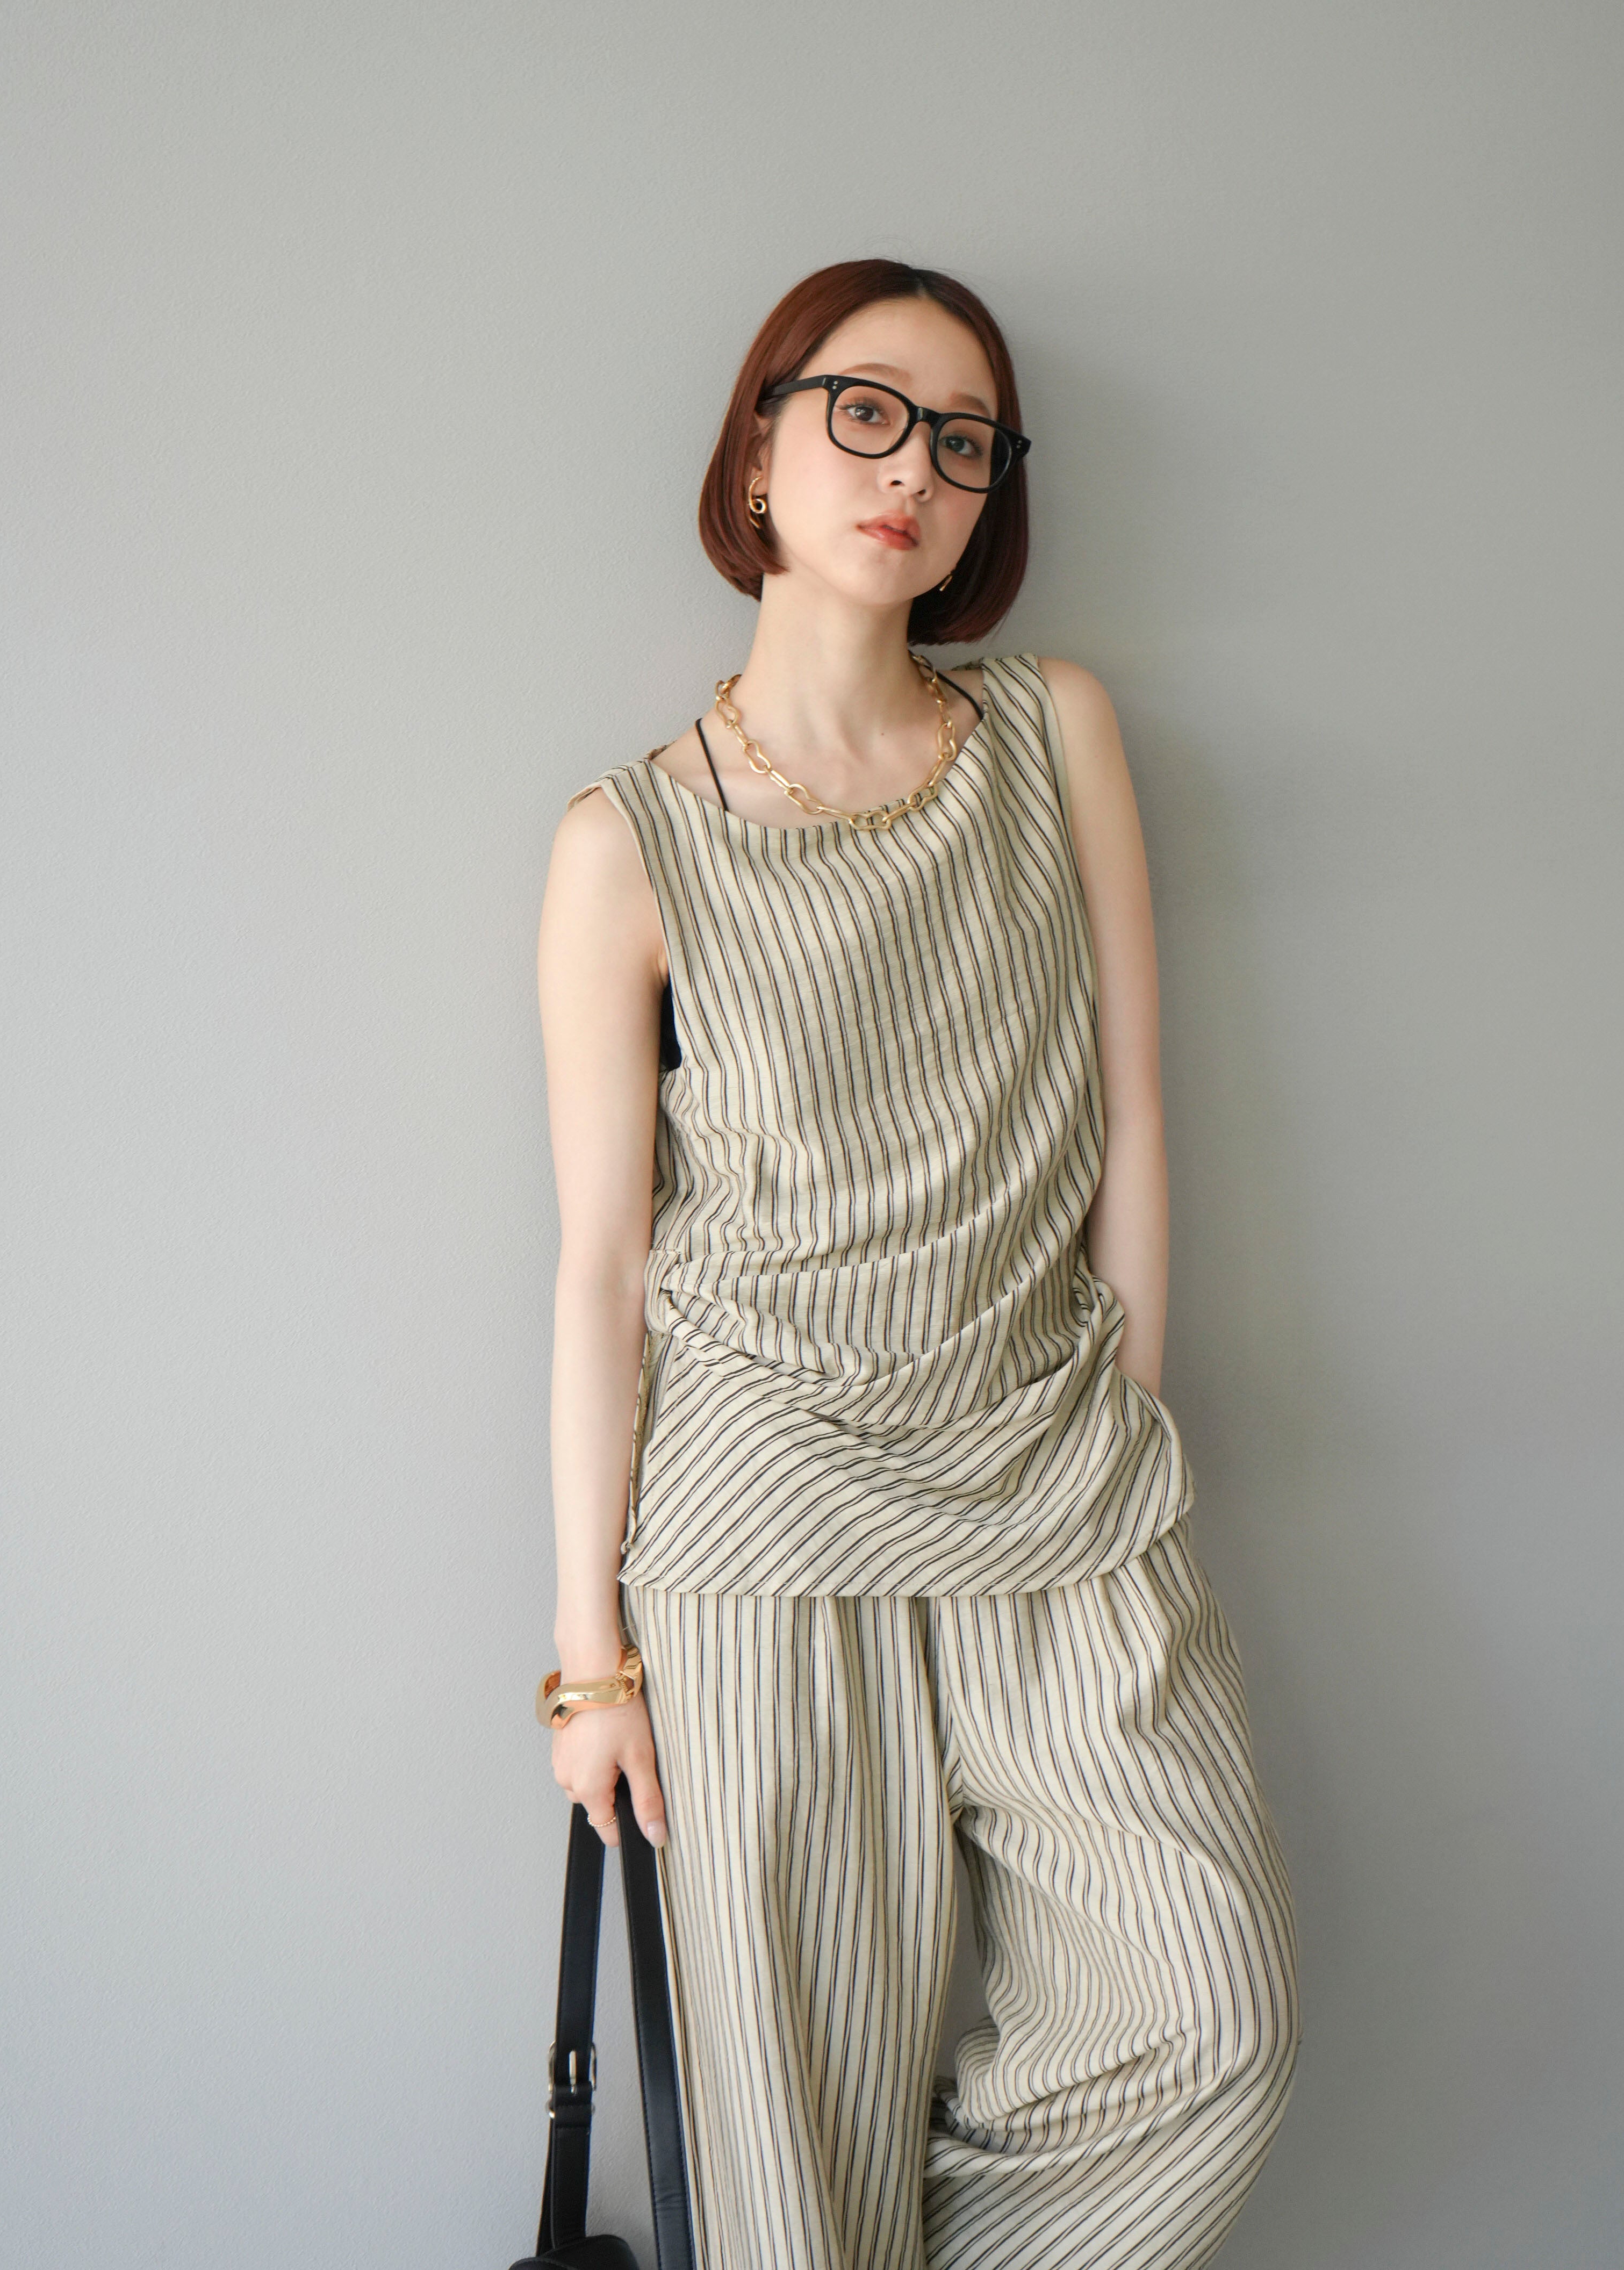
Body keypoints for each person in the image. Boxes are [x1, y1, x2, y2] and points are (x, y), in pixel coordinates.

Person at [534, 257, 1300, 2270]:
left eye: (965, 444)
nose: (914, 472)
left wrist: (1119, 1426)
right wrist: (588, 1664)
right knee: (795, 2145)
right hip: (759, 1524)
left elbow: (1135, 1118)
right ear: (759, 448)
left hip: (1059, 1481)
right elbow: (602, 1269)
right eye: (866, 413)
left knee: (1211, 2019)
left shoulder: (1056, 733)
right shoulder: (628, 845)